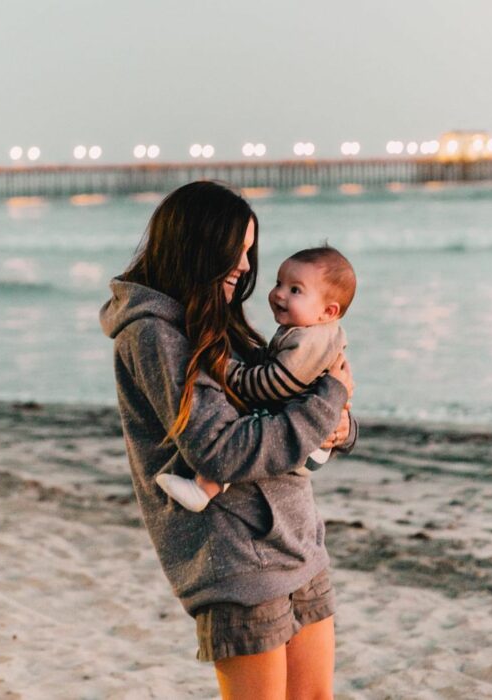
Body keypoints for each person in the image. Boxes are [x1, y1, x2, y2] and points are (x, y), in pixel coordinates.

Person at [100, 181, 357, 699]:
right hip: (235, 559)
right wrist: (330, 398)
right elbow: (220, 450)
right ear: (199, 246)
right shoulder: (152, 334)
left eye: (248, 251)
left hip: (298, 541)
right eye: (235, 251)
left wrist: (344, 427)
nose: (244, 266)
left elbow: (291, 402)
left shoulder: (220, 320)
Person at [156, 245, 357, 512]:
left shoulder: (311, 340)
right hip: (310, 437)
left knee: (249, 427)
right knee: (249, 429)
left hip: (308, 446)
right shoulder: (306, 332)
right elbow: (284, 369)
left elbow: (274, 384)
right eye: (279, 283)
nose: (279, 294)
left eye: (295, 290)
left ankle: (204, 489)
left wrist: (228, 371)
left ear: (328, 312)